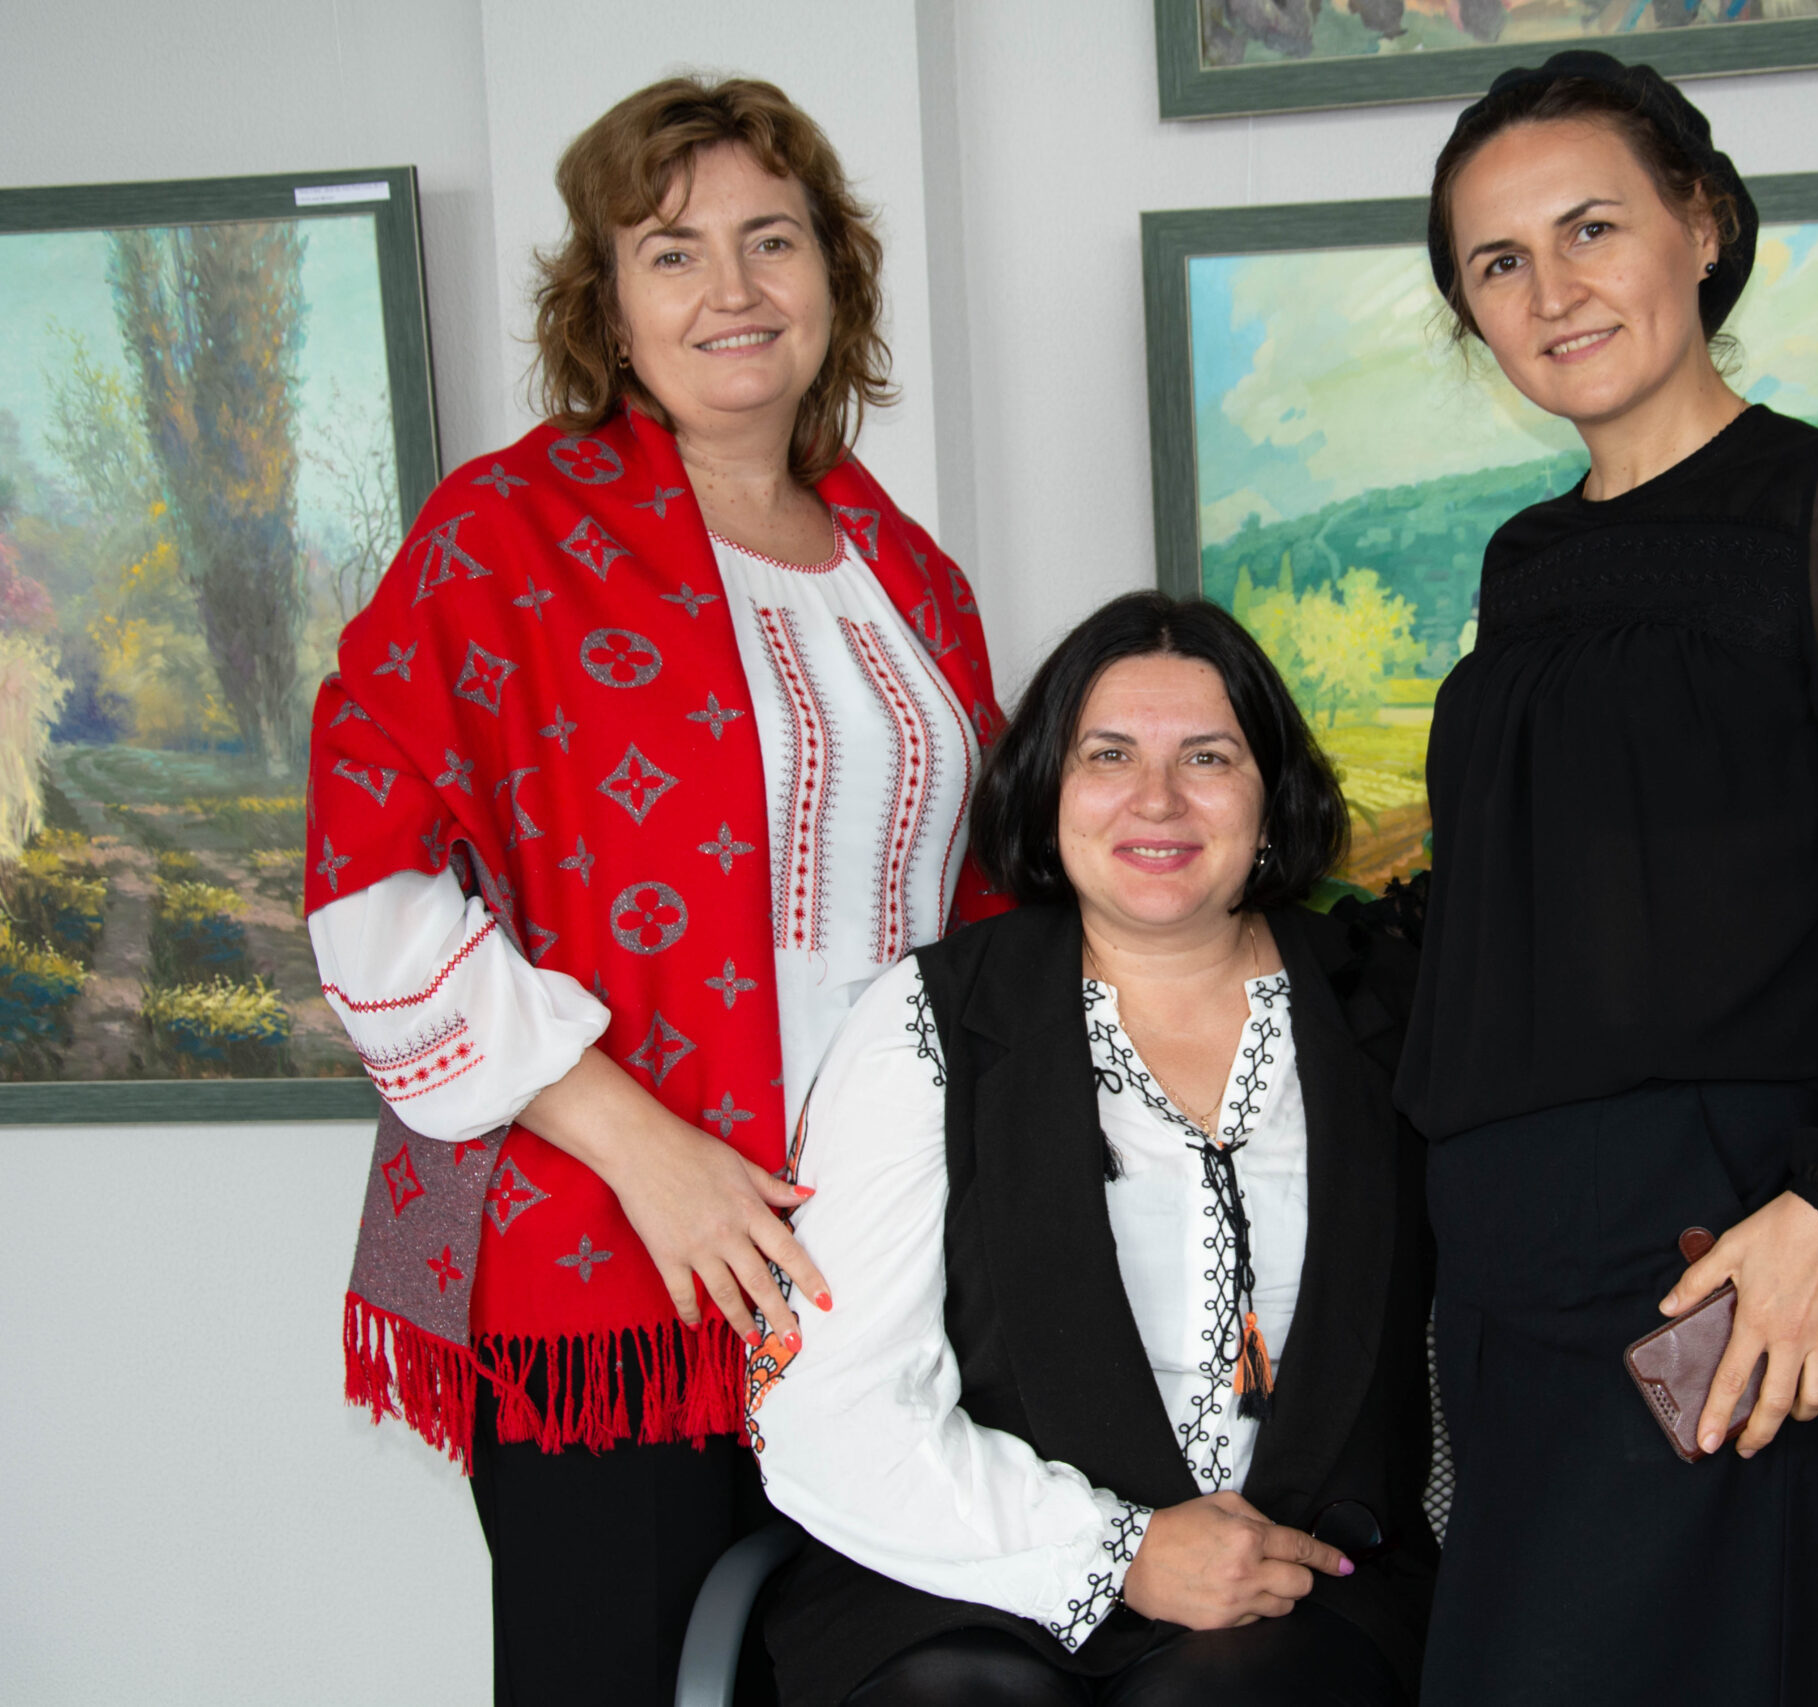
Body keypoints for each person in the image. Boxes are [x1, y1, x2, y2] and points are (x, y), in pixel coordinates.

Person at [303, 76, 1005, 1707]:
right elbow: (368, 881)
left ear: (835, 275)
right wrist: (651, 1154)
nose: (732, 289)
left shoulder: (910, 572)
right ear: (606, 306)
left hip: (888, 1262)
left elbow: (981, 910)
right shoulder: (504, 534)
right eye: (673, 252)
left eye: (773, 240)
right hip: (616, 1250)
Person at [1400, 51, 1818, 1705]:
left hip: (1711, 1250)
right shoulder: (1527, 564)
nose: (1553, 291)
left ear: (1701, 226)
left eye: (1592, 228)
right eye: (1499, 261)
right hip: (1502, 1270)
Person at [749, 593, 1436, 1707]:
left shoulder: (1395, 1008)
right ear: (1048, 792)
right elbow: (829, 1404)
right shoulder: (927, 1020)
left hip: (1299, 1591)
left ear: (1272, 800)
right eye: (1108, 754)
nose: (1156, 798)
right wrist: (1120, 1552)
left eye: (1207, 756)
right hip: (963, 1586)